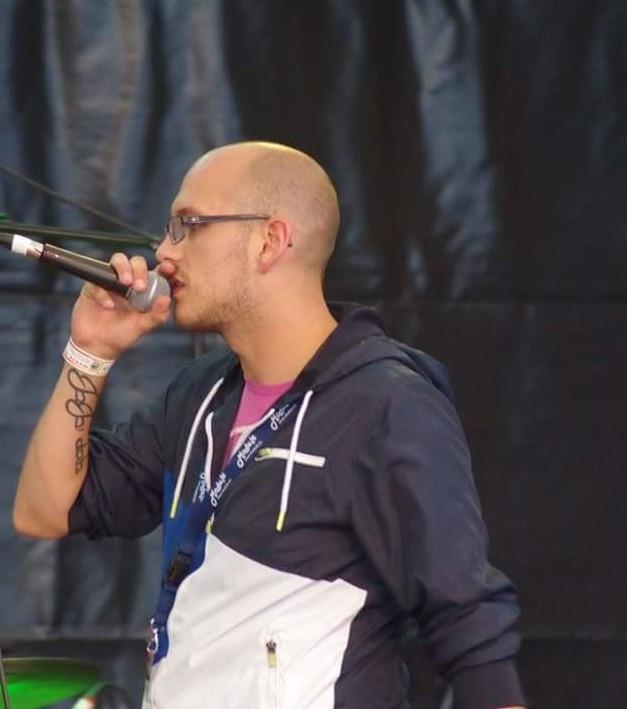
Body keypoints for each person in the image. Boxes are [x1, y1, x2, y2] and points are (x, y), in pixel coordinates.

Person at [13, 141, 525, 709]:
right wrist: (89, 352)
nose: (164, 251)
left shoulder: (385, 405)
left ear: (270, 240)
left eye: (188, 225)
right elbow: (44, 511)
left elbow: (470, 630)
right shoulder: (202, 393)